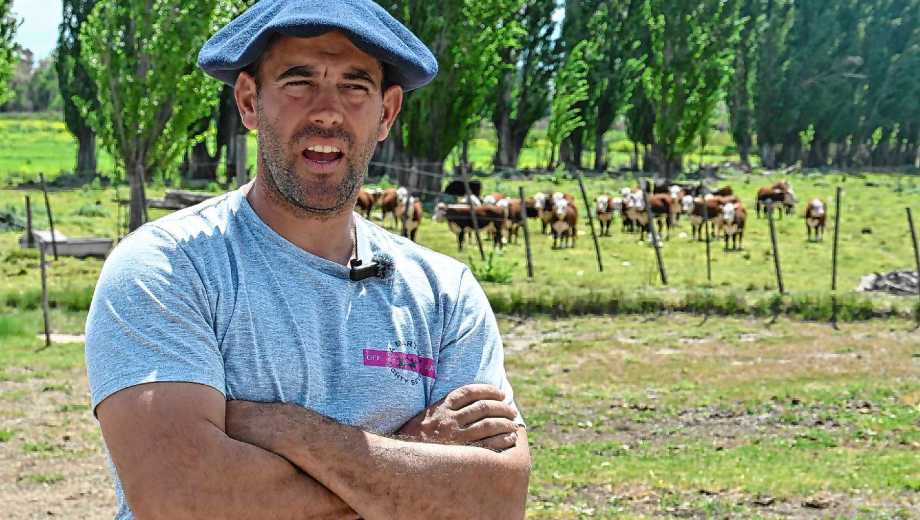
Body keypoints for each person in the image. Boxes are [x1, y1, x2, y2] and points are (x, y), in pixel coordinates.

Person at [84, 1, 531, 519]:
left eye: (354, 86)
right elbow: (183, 498)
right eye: (299, 82)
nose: (326, 111)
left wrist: (289, 430)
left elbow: (495, 501)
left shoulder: (443, 293)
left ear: (386, 113)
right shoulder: (168, 269)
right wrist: (414, 459)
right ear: (250, 102)